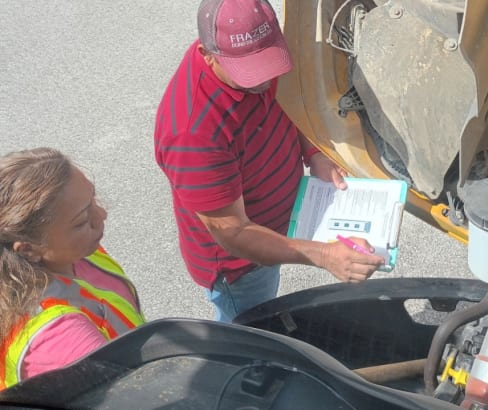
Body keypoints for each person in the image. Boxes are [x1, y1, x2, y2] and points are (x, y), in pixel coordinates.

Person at [154, 0, 385, 323]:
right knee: (252, 334)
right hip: (241, 267)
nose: (263, 81)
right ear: (207, 54)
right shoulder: (193, 133)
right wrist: (325, 255)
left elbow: (288, 98)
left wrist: (313, 151)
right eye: (249, 73)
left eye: (269, 65)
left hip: (274, 225)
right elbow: (233, 233)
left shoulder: (256, 54)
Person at [0, 148, 145, 390]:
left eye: (93, 200)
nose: (102, 215)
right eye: (81, 221)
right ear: (28, 249)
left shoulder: (73, 253)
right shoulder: (61, 338)